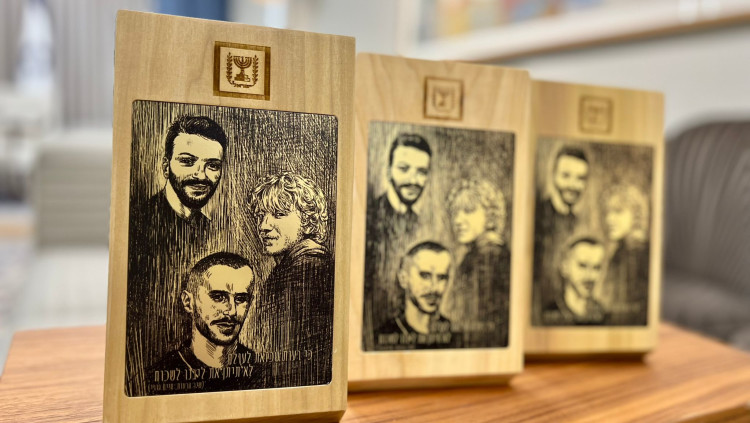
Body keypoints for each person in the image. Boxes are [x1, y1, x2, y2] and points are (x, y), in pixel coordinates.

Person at [249, 171, 333, 388]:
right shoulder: (293, 267)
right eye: (260, 215)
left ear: (307, 220)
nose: (263, 226)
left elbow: (290, 357)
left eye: (278, 214)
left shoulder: (307, 269)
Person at [147, 252, 266, 394]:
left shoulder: (263, 373)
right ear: (188, 302)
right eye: (218, 297)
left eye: (240, 299)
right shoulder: (154, 377)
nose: (232, 311)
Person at [364, 133, 432, 349]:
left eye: (421, 172)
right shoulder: (369, 219)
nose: (413, 180)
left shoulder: (423, 225)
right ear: (388, 171)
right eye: (404, 169)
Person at [444, 179, 510, 347]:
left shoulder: (490, 257)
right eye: (454, 213)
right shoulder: (475, 256)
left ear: (490, 215)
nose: (458, 220)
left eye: (468, 210)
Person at [533, 146, 590, 323]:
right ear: (553, 176)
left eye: (580, 178)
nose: (573, 185)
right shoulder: (537, 218)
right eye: (566, 176)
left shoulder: (579, 223)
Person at [375, 241, 457, 350]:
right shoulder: (384, 334)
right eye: (425, 276)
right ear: (403, 279)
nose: (434, 287)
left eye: (441, 277)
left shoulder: (455, 334)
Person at [602, 184, 650, 325]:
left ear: (636, 215)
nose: (609, 219)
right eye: (607, 212)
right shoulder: (619, 254)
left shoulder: (641, 254)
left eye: (618, 211)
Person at [542, 236, 610, 325]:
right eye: (582, 265)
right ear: (565, 267)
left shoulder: (603, 316)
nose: (590, 276)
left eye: (596, 268)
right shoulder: (549, 314)